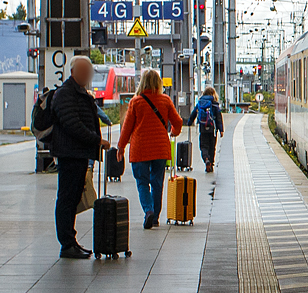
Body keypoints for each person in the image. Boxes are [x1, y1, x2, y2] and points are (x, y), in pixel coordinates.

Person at [49, 56, 110, 259]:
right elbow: (72, 124)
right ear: (73, 72)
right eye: (83, 71)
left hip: (79, 153)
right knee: (67, 198)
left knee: (74, 197)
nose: (86, 75)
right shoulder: (65, 94)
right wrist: (96, 140)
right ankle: (66, 244)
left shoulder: (79, 92)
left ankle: (71, 241)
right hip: (69, 154)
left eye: (88, 71)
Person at [118, 69, 181, 230]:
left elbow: (127, 128)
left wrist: (121, 147)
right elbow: (178, 121)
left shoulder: (136, 102)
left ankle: (148, 210)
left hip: (140, 148)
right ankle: (155, 217)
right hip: (160, 148)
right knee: (157, 182)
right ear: (159, 83)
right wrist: (174, 132)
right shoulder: (165, 100)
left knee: (142, 183)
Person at [185, 86, 224, 174]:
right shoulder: (214, 104)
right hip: (212, 129)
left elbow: (194, 113)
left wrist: (189, 122)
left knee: (203, 146)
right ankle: (211, 163)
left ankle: (206, 159)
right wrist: (221, 129)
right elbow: (219, 117)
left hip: (203, 128)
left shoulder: (200, 103)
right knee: (212, 147)